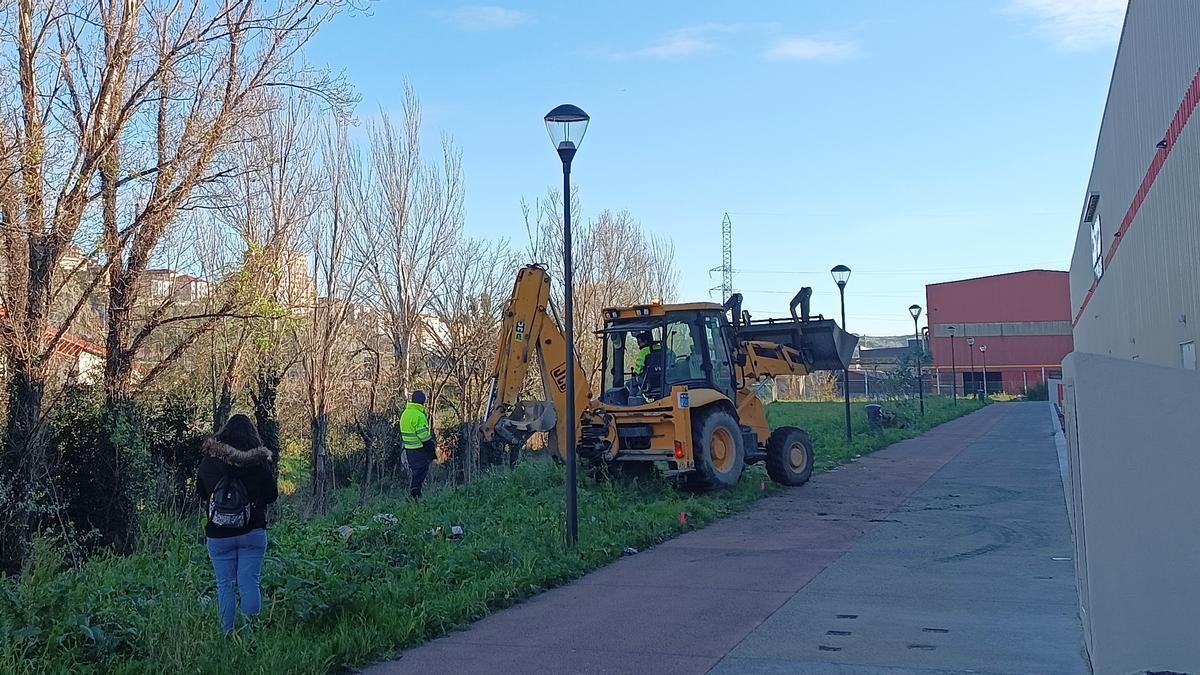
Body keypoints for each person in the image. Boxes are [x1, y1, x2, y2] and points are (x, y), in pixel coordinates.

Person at [197, 414, 278, 635]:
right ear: (253, 435)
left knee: (225, 585)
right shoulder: (259, 462)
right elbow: (272, 495)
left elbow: (201, 492)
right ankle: (250, 635)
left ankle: (227, 635)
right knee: (249, 584)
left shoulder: (210, 460)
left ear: (224, 433)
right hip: (252, 531)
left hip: (218, 533)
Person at [399, 390, 436, 499]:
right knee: (420, 472)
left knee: (416, 472)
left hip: (409, 449)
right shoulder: (419, 415)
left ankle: (414, 495)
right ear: (423, 402)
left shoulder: (405, 413)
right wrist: (431, 450)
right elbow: (423, 436)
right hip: (418, 449)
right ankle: (415, 495)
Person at [631, 331, 666, 397]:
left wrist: (635, 373)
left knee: (630, 384)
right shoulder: (662, 348)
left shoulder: (643, 352)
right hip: (664, 380)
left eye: (640, 342)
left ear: (646, 341)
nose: (639, 344)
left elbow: (639, 368)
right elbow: (672, 356)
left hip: (649, 382)